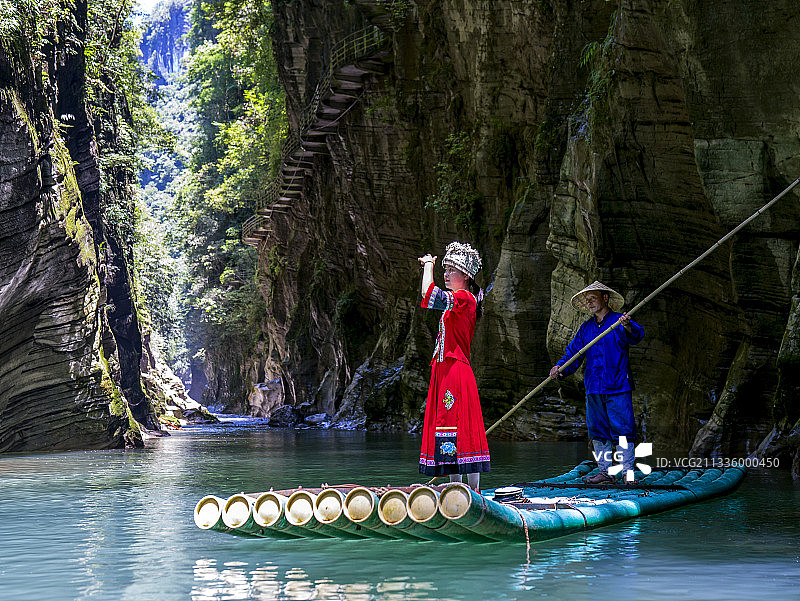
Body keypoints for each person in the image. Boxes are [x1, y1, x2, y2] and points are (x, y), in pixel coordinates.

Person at [549, 281, 645, 484]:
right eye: (587, 299)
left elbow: (636, 335)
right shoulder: (586, 329)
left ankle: (628, 473)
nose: (590, 302)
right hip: (594, 387)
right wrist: (560, 368)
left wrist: (627, 324)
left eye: (593, 298)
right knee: (598, 431)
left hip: (618, 386)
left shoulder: (619, 322)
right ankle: (605, 472)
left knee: (623, 429)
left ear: (605, 298)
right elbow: (573, 354)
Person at [417, 241, 490, 492]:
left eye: (451, 270)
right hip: (446, 370)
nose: (446, 274)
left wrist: (428, 265)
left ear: (467, 276)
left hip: (455, 370)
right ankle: (456, 490)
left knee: (459, 424)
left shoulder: (464, 298)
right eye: (444, 269)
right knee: (449, 426)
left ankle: (471, 492)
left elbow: (428, 296)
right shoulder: (461, 300)